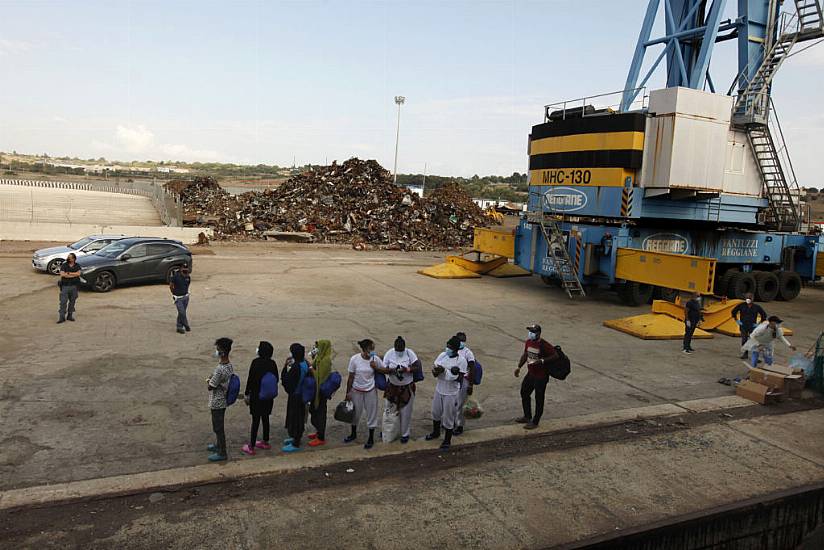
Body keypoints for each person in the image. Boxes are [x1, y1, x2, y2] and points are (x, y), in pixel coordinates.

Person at [426, 336, 467, 450]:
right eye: (447, 346)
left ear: (455, 349)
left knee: (448, 417)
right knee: (435, 412)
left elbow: (460, 378)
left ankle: (447, 440)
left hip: (451, 392)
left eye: (449, 347)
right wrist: (437, 371)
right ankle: (436, 432)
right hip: (439, 389)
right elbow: (435, 371)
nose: (447, 348)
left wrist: (448, 372)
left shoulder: (461, 361)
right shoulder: (442, 356)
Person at [380, 336, 422, 444]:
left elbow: (417, 366)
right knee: (389, 410)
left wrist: (407, 369)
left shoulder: (409, 353)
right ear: (394, 347)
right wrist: (392, 370)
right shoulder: (389, 353)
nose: (399, 351)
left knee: (406, 412)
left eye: (401, 349)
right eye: (397, 349)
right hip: (392, 387)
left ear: (404, 347)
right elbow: (384, 369)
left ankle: (405, 434)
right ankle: (387, 430)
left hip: (406, 387)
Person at [514, 324, 556, 430]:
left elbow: (555, 356)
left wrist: (541, 361)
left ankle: (535, 421)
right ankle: (527, 416)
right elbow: (525, 354)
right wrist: (519, 367)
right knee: (524, 392)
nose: (530, 334)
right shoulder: (528, 342)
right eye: (530, 331)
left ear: (538, 333)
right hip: (531, 373)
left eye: (533, 332)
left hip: (541, 376)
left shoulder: (544, 345)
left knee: (539, 398)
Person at [241, 341, 278, 456]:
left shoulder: (255, 362)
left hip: (256, 396)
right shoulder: (272, 363)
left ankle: (251, 446)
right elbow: (276, 378)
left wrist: (247, 393)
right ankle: (265, 442)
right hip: (268, 397)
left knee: (256, 420)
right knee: (265, 418)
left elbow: (250, 379)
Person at [345, 339, 382, 449]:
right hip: (356, 391)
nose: (372, 351)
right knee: (355, 413)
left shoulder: (375, 359)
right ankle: (353, 434)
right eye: (370, 349)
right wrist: (348, 392)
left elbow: (385, 370)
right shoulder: (354, 359)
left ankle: (370, 438)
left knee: (372, 414)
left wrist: (376, 367)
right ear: (364, 349)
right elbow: (351, 377)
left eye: (372, 349)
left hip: (370, 391)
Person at [206, 337, 234, 462]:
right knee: (218, 425)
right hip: (223, 398)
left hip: (217, 401)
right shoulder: (228, 365)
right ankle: (218, 446)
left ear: (222, 352)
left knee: (218, 427)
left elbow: (210, 386)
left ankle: (222, 452)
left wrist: (209, 380)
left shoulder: (219, 369)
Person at [281, 343, 309, 453]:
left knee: (296, 418)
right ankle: (295, 437)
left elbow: (287, 381)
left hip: (296, 396)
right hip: (301, 394)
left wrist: (284, 367)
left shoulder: (296, 367)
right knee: (298, 417)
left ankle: (296, 442)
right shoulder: (304, 363)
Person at [307, 339, 333, 448]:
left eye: (318, 346)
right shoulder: (319, 357)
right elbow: (314, 366)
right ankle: (318, 432)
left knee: (320, 413)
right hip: (315, 390)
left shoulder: (326, 360)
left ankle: (321, 437)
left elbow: (319, 376)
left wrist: (311, 370)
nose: (316, 348)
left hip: (321, 391)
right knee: (314, 410)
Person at [730, 293, 767, 358]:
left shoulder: (757, 307)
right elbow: (733, 311)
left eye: (750, 298)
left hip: (752, 327)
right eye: (747, 298)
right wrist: (737, 320)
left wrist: (758, 323)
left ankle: (755, 356)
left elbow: (764, 315)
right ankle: (745, 354)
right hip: (743, 326)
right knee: (744, 340)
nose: (748, 299)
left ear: (753, 299)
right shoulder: (741, 305)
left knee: (754, 341)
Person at [453, 332, 476, 436]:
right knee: (452, 403)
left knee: (460, 404)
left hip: (464, 381)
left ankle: (460, 426)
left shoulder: (468, 353)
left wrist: (471, 385)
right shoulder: (453, 350)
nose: (462, 342)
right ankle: (452, 423)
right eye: (460, 340)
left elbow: (472, 369)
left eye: (463, 340)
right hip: (453, 380)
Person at [57, 253, 81, 324]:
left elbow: (79, 274)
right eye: (68, 257)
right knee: (63, 302)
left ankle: (70, 316)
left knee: (72, 302)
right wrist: (74, 274)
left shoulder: (77, 265)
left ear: (74, 259)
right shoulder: (64, 265)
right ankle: (61, 317)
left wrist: (68, 273)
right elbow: (62, 274)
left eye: (70, 257)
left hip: (74, 286)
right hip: (65, 286)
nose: (68, 258)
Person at [169, 265, 191, 334]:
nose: (185, 269)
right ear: (180, 269)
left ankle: (179, 327)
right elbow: (171, 285)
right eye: (184, 268)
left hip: (186, 297)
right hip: (178, 298)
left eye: (186, 268)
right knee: (182, 312)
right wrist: (174, 293)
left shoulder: (188, 277)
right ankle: (186, 324)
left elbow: (187, 285)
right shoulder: (175, 276)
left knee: (181, 313)